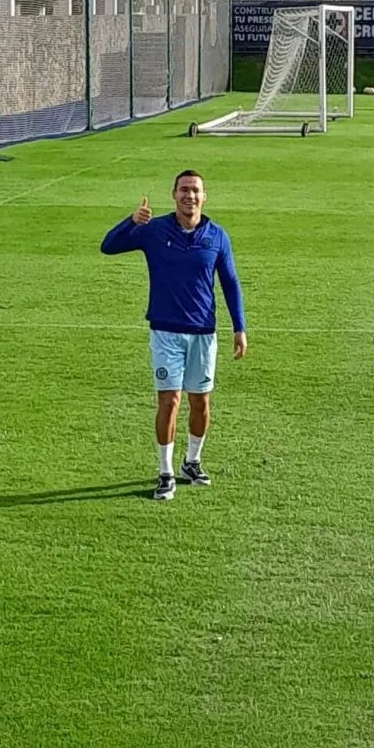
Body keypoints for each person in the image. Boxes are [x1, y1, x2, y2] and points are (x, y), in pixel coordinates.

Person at [100, 170, 247, 502]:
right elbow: (108, 246)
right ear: (174, 194)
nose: (189, 195)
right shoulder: (154, 230)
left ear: (204, 196)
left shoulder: (217, 236)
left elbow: (230, 282)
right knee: (169, 401)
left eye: (195, 190)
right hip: (166, 332)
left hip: (203, 334)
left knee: (201, 402)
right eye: (183, 190)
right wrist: (131, 222)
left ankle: (192, 462)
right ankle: (165, 472)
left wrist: (240, 328)